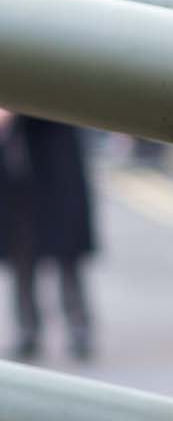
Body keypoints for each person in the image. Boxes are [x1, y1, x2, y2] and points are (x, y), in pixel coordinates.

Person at [0, 109, 98, 362]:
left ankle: (79, 328)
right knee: (21, 254)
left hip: (54, 160)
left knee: (66, 254)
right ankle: (28, 330)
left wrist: (13, 112)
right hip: (17, 167)